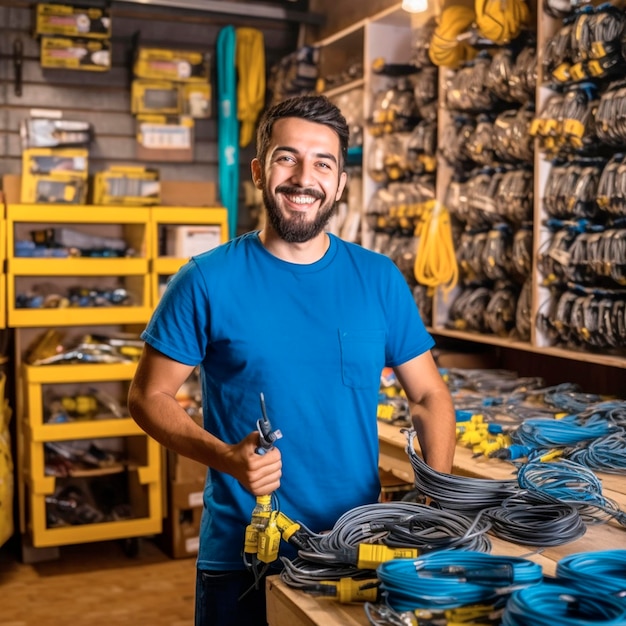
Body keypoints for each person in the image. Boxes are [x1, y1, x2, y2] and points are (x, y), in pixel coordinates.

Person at [127, 94, 456, 626]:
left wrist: (433, 499)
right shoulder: (205, 280)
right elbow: (147, 397)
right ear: (259, 170)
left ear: (341, 182)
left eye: (323, 162)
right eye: (287, 157)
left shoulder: (378, 279)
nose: (304, 177)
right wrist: (226, 458)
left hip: (354, 550)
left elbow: (428, 394)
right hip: (242, 556)